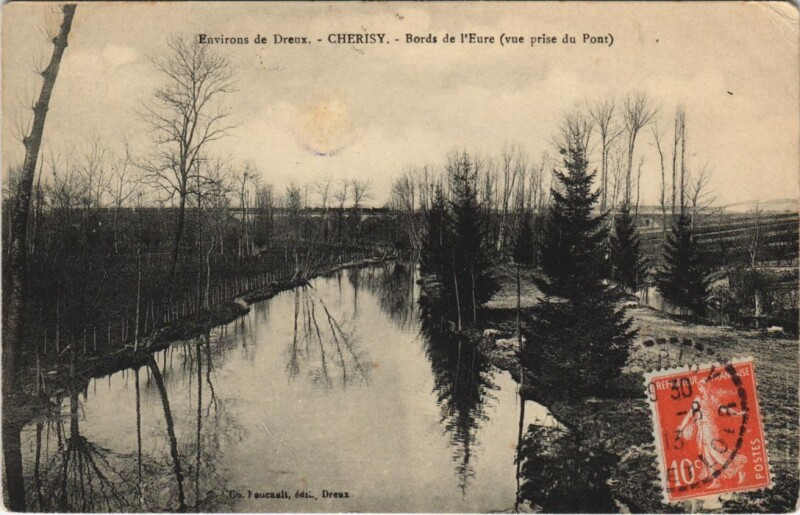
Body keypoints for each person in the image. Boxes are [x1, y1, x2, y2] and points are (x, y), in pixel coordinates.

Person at [676, 378, 747, 487]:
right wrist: (681, 428)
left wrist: (737, 414)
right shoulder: (701, 400)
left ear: (706, 387)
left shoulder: (707, 399)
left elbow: (724, 410)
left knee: (715, 454)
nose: (700, 389)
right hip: (702, 430)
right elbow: (690, 415)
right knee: (706, 456)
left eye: (701, 387)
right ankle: (716, 480)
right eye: (699, 387)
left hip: (709, 430)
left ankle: (738, 469)